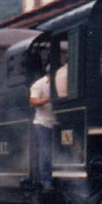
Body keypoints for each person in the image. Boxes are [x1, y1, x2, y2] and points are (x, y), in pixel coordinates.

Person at [29, 52, 68, 190]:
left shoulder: (60, 83)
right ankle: (46, 180)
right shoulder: (39, 85)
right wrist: (48, 99)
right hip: (43, 122)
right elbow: (33, 102)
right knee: (46, 150)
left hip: (56, 121)